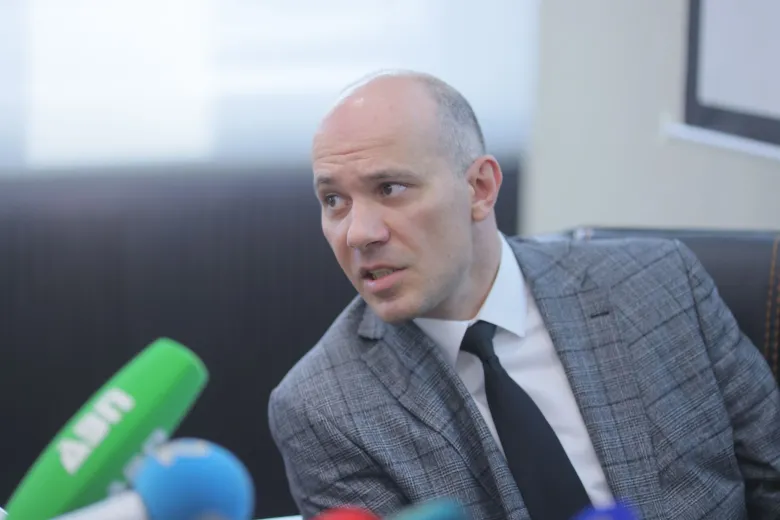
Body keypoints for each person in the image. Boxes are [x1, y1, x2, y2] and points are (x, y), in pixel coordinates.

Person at [267, 70, 780, 520]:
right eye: (333, 200)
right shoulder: (324, 408)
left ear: (480, 188)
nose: (358, 233)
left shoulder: (660, 284)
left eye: (390, 189)